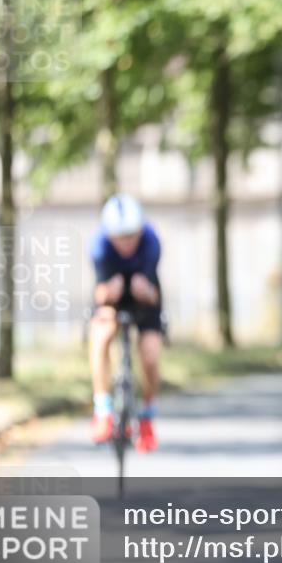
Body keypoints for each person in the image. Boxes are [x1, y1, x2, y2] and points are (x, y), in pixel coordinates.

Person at [89, 194, 163, 453]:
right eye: (120, 237)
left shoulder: (152, 242)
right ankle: (103, 411)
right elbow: (99, 294)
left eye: (131, 236)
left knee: (150, 354)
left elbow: (154, 294)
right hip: (113, 293)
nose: (127, 243)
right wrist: (110, 291)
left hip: (145, 295)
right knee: (102, 332)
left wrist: (147, 292)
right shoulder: (99, 246)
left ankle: (146, 415)